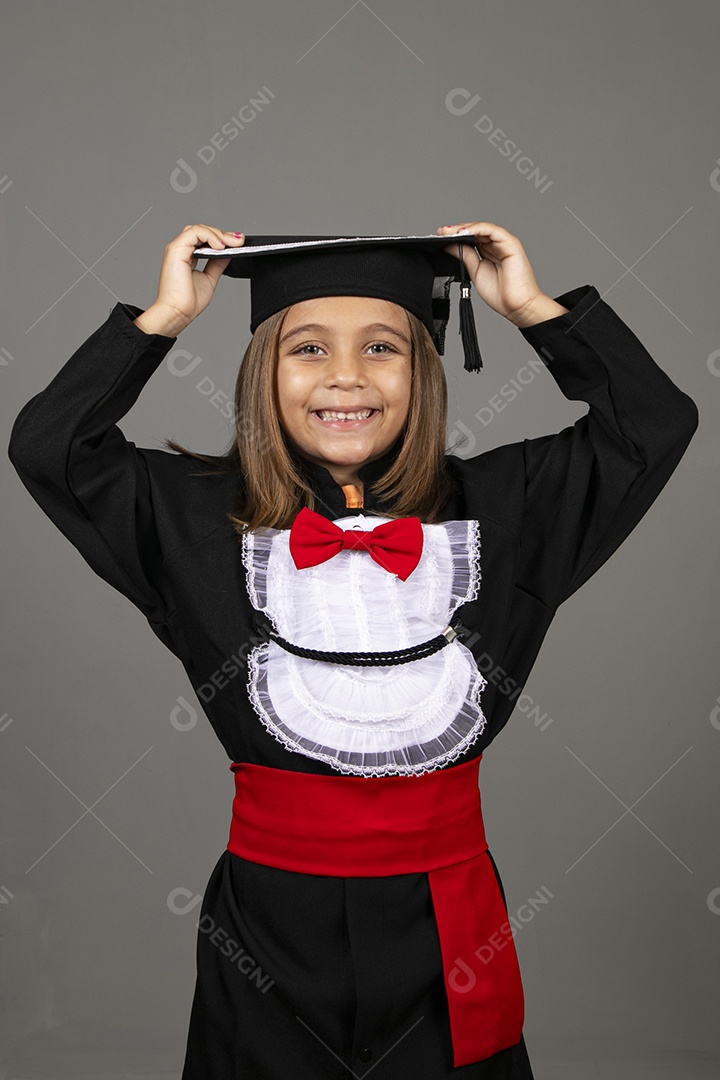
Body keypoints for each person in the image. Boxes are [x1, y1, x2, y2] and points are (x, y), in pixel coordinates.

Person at [7, 221, 699, 1080]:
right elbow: (49, 448)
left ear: (425, 371)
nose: (345, 377)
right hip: (265, 944)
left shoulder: (508, 511)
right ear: (264, 373)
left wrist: (531, 308)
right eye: (306, 348)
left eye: (382, 348)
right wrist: (165, 318)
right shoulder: (190, 519)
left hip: (446, 943)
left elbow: (653, 424)